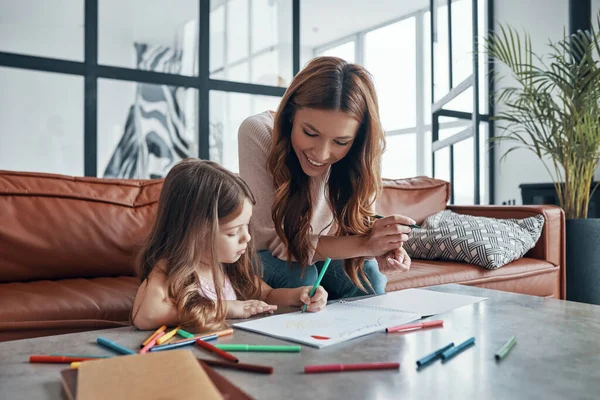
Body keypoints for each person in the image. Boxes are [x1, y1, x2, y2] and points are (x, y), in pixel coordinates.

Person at [238, 56, 414, 300]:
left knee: (369, 278)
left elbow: (358, 229)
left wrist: (383, 249)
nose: (320, 154)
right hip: (262, 254)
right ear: (290, 116)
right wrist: (365, 244)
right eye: (310, 133)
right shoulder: (257, 131)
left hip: (318, 252)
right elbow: (272, 241)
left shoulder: (361, 152)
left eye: (341, 142)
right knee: (299, 278)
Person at [131, 158, 328, 331]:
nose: (247, 238)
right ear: (194, 233)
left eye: (246, 227)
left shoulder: (228, 267)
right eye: (233, 232)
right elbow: (146, 315)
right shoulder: (169, 270)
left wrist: (299, 295)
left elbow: (267, 295)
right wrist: (226, 307)